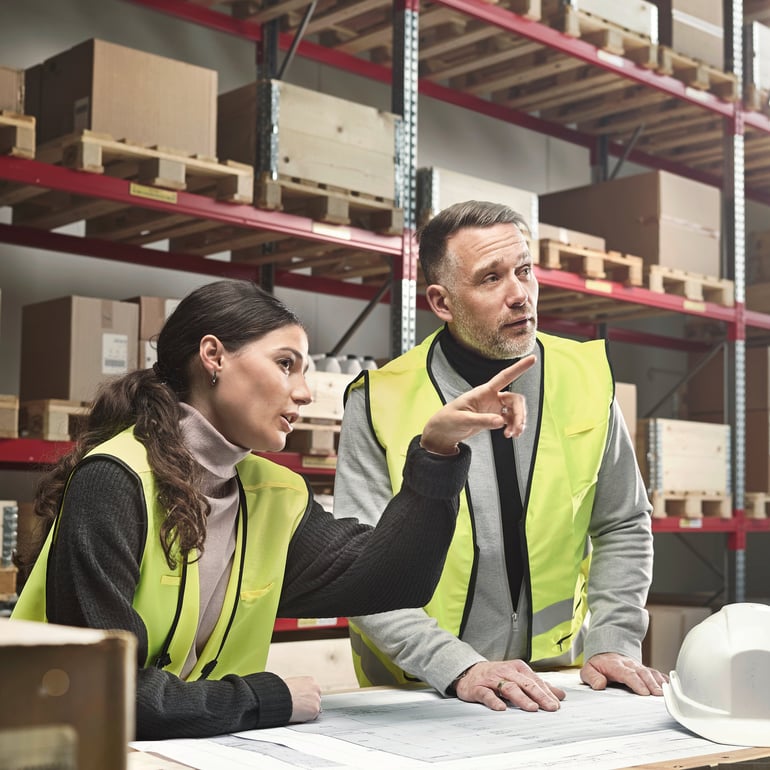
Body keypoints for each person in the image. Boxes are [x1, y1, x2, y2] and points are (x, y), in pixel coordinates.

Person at [11, 278, 535, 739]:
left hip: (200, 751)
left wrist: (438, 451)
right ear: (213, 356)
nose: (305, 393)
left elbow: (393, 580)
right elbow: (105, 690)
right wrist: (267, 698)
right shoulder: (114, 481)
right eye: (285, 365)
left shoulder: (271, 493)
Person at [333, 200, 667, 714]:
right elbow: (359, 568)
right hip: (419, 693)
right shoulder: (380, 399)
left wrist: (613, 641)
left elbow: (622, 522)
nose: (520, 295)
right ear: (442, 302)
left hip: (556, 685)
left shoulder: (585, 377)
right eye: (491, 279)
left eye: (525, 271)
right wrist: (456, 665)